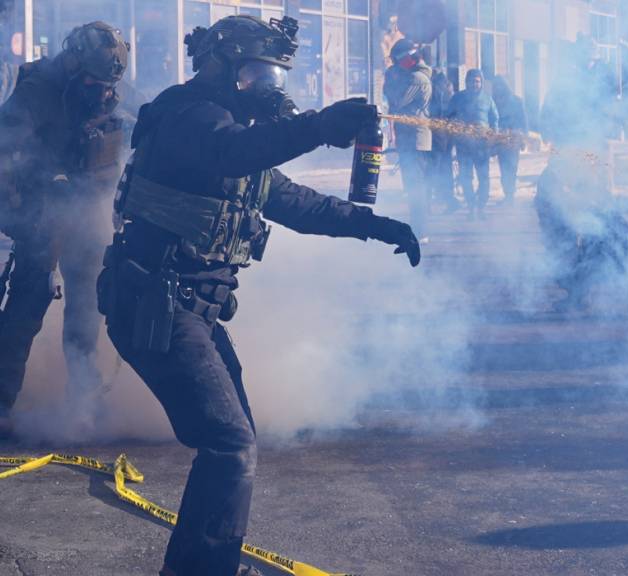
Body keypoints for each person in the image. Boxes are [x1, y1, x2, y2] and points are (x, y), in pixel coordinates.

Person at [96, 15, 419, 575]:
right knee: (229, 444)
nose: (268, 89)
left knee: (233, 441)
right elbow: (232, 151)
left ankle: (208, 564)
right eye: (257, 75)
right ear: (220, 67)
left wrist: (376, 225)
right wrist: (318, 126)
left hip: (189, 309)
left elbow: (297, 203)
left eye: (275, 77)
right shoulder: (185, 115)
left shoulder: (238, 144)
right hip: (156, 305)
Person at [0, 22, 130, 437]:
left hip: (87, 210)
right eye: (94, 83)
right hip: (42, 213)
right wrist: (20, 216)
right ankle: (1, 403)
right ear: (73, 63)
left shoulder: (105, 85)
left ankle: (83, 400)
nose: (103, 94)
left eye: (108, 87)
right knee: (29, 301)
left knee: (87, 303)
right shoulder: (37, 92)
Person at [536, 36, 628, 312]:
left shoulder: (596, 82)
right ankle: (578, 288)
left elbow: (610, 117)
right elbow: (550, 116)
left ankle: (588, 289)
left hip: (587, 161)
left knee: (594, 227)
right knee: (566, 223)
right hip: (571, 160)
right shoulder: (571, 82)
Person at [383, 38, 432, 235]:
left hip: (415, 140)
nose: (395, 65)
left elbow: (397, 101)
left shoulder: (417, 78)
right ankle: (419, 228)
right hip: (409, 139)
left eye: (397, 61)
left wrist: (390, 81)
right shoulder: (409, 75)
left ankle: (420, 230)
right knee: (412, 186)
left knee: (415, 186)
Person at [447, 69, 498, 219]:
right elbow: (449, 117)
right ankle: (471, 208)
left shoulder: (488, 99)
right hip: (463, 145)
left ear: (481, 83)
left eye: (477, 81)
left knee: (484, 178)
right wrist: (455, 129)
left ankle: (481, 207)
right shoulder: (457, 98)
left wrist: (492, 137)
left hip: (482, 146)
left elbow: (494, 119)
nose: (474, 84)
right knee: (466, 177)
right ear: (466, 82)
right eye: (471, 81)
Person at [491, 76, 528, 206]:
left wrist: (523, 138)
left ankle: (510, 195)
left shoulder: (517, 101)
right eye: (496, 85)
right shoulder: (493, 101)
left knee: (511, 168)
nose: (498, 88)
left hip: (513, 138)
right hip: (500, 139)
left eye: (501, 85)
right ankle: (508, 195)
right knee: (503, 168)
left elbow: (523, 120)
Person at [428, 68, 459, 212]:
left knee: (434, 170)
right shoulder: (447, 90)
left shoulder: (436, 91)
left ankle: (430, 202)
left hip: (439, 137)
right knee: (445, 170)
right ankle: (449, 200)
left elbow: (438, 113)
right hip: (446, 136)